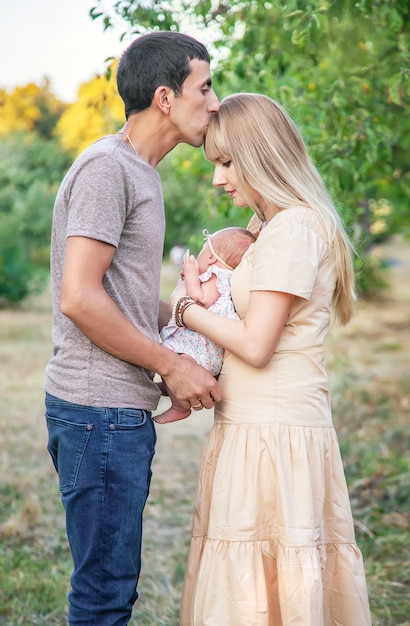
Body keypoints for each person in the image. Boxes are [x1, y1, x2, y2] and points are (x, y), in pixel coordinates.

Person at [171, 94, 372, 625]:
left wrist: (186, 310)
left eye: (227, 161)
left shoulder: (296, 229)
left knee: (266, 584)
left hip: (273, 431)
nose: (218, 179)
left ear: (262, 154)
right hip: (254, 427)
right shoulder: (275, 230)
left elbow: (257, 345)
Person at [43, 31, 222, 625]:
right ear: (167, 98)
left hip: (116, 413)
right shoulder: (107, 168)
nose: (215, 102)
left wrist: (182, 322)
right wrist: (172, 365)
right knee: (104, 597)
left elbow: (116, 297)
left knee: (112, 590)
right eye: (206, 87)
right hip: (99, 412)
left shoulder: (141, 172)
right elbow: (80, 298)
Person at [155, 226, 256, 424]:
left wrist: (192, 276)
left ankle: (179, 406)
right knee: (174, 356)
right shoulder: (223, 278)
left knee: (177, 359)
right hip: (205, 344)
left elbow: (200, 300)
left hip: (204, 348)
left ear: (211, 258)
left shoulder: (217, 276)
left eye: (202, 250)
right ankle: (169, 387)